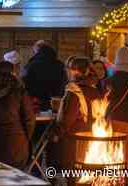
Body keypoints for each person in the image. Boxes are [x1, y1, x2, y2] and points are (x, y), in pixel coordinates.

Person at [47, 57, 101, 185]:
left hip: (73, 141)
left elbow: (66, 120)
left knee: (72, 177)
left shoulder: (73, 92)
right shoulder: (95, 90)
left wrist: (55, 135)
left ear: (74, 71)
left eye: (68, 69)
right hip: (92, 138)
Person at [0, 61, 35, 169]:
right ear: (12, 74)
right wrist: (26, 138)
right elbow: (29, 119)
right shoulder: (19, 92)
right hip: (16, 143)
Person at [22, 40, 67, 111]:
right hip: (55, 101)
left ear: (37, 50)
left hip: (36, 102)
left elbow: (26, 81)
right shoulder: (59, 64)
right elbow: (64, 82)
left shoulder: (31, 65)